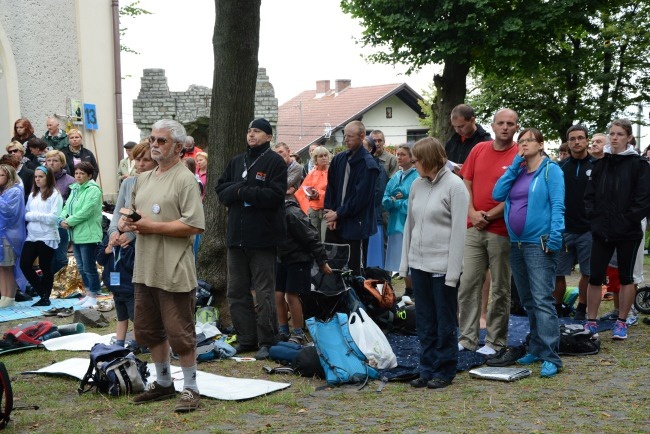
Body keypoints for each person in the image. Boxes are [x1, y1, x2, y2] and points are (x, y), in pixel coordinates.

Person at [119, 119, 205, 412]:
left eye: (161, 141)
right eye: (152, 139)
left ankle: (191, 389)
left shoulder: (185, 179)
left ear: (179, 147)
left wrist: (151, 226)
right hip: (145, 268)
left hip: (174, 268)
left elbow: (193, 224)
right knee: (148, 330)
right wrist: (124, 223)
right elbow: (134, 215)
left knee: (180, 333)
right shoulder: (142, 179)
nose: (154, 145)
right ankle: (165, 383)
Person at [493, 128, 565, 378]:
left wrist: (555, 237)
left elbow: (557, 204)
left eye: (528, 141)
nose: (523, 145)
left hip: (539, 243)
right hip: (517, 243)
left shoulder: (551, 170)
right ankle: (535, 347)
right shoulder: (519, 171)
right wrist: (514, 164)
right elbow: (497, 194)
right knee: (528, 300)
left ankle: (550, 356)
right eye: (520, 142)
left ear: (541, 144)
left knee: (543, 299)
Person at [400, 137, 469, 389]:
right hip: (419, 265)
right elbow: (410, 224)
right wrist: (405, 263)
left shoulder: (455, 186)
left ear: (428, 159)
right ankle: (426, 368)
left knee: (445, 321)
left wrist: (453, 273)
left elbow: (459, 234)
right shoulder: (417, 185)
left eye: (416, 160)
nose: (413, 164)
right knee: (425, 321)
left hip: (443, 267)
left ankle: (445, 369)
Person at [216, 118, 286, 360]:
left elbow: (274, 196)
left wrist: (242, 190)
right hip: (236, 237)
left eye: (257, 131)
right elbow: (221, 189)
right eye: (249, 130)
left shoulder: (274, 161)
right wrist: (239, 189)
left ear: (268, 136)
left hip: (263, 237)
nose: (251, 134)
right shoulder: (237, 161)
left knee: (264, 291)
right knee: (236, 291)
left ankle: (268, 339)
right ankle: (246, 337)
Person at [457, 108, 520, 355]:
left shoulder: (520, 155)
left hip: (501, 230)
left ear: (516, 127)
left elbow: (516, 194)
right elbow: (466, 182)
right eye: (501, 123)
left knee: (500, 288)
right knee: (468, 283)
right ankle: (467, 338)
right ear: (492, 126)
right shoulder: (478, 149)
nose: (505, 127)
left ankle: (495, 341)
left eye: (510, 124)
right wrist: (472, 212)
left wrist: (489, 215)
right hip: (473, 227)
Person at [584, 119, 650, 340]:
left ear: (629, 137)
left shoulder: (639, 164)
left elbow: (643, 200)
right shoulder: (600, 163)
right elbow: (590, 196)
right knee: (595, 276)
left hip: (628, 232)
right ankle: (590, 320)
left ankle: (622, 321)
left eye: (620, 134)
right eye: (611, 133)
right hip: (601, 230)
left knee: (626, 277)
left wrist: (627, 220)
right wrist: (594, 218)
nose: (614, 138)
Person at [106, 140, 157, 349]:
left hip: (145, 243)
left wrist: (132, 235)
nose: (140, 164)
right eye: (137, 159)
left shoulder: (156, 183)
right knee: (129, 293)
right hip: (124, 246)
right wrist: (113, 233)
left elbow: (154, 218)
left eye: (146, 160)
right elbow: (118, 212)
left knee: (145, 294)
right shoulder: (127, 183)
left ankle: (144, 336)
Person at [324, 120, 379, 276]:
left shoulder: (369, 165)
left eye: (350, 136)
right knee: (332, 266)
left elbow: (360, 199)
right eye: (344, 136)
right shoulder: (338, 159)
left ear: (362, 136)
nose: (345, 140)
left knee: (353, 270)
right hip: (335, 224)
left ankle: (354, 299)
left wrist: (339, 213)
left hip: (356, 226)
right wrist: (331, 215)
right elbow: (331, 188)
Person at [276, 198, 332, 344]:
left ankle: (298, 332)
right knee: (277, 294)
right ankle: (283, 330)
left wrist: (322, 262)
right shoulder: (270, 213)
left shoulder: (292, 213)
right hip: (281, 258)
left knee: (291, 295)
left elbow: (311, 236)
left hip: (298, 258)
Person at [554, 125, 593, 320]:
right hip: (563, 229)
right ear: (568, 143)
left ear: (587, 140)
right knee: (557, 272)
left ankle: (581, 309)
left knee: (587, 273)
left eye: (580, 138)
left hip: (589, 230)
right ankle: (557, 308)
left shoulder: (598, 165)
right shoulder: (560, 168)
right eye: (572, 139)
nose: (576, 142)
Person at [58, 161, 103, 308]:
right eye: (76, 173)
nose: (78, 176)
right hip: (76, 234)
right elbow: (67, 206)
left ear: (89, 175)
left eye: (82, 173)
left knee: (89, 267)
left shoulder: (93, 190)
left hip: (88, 234)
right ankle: (88, 293)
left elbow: (86, 211)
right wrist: (62, 218)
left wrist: (69, 221)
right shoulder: (75, 188)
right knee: (82, 267)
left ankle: (95, 294)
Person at [20, 166, 62, 307]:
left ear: (48, 178)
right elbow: (26, 214)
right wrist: (34, 217)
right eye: (36, 177)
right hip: (32, 235)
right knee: (24, 264)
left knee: (45, 266)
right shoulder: (32, 195)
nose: (37, 179)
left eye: (41, 176)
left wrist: (34, 216)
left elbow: (53, 218)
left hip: (47, 235)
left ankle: (45, 297)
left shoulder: (55, 195)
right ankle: (42, 292)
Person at [383, 144, 418, 296]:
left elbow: (414, 202)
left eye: (403, 154)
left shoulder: (417, 177)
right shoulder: (396, 176)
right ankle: (399, 292)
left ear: (411, 157)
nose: (399, 157)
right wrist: (392, 200)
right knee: (397, 259)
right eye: (397, 154)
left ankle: (411, 291)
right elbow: (385, 199)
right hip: (394, 224)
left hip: (409, 224)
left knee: (410, 260)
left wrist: (396, 201)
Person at [44, 150, 76, 275]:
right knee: (46, 256)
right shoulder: (40, 178)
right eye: (49, 160)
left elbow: (72, 204)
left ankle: (59, 284)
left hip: (61, 224)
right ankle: (46, 283)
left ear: (62, 163)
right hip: (43, 223)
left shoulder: (70, 181)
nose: (51, 163)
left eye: (55, 161)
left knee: (60, 257)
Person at [0, 164, 26, 308]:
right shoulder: (2, 192)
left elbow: (9, 212)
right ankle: (3, 295)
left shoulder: (15, 191)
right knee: (1, 267)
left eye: (1, 175)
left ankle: (10, 297)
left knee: (8, 267)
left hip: (10, 235)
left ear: (9, 176)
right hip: (0, 233)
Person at [363, 135, 388, 269]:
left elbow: (378, 195)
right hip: (358, 220)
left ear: (370, 149)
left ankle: (378, 288)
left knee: (374, 260)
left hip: (373, 218)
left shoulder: (378, 167)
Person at [294, 146, 330, 240]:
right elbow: (302, 191)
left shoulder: (332, 172)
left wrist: (318, 194)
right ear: (315, 159)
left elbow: (334, 192)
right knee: (314, 239)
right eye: (321, 156)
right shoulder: (312, 173)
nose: (324, 158)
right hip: (313, 210)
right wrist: (310, 195)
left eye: (325, 155)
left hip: (327, 210)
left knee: (324, 239)